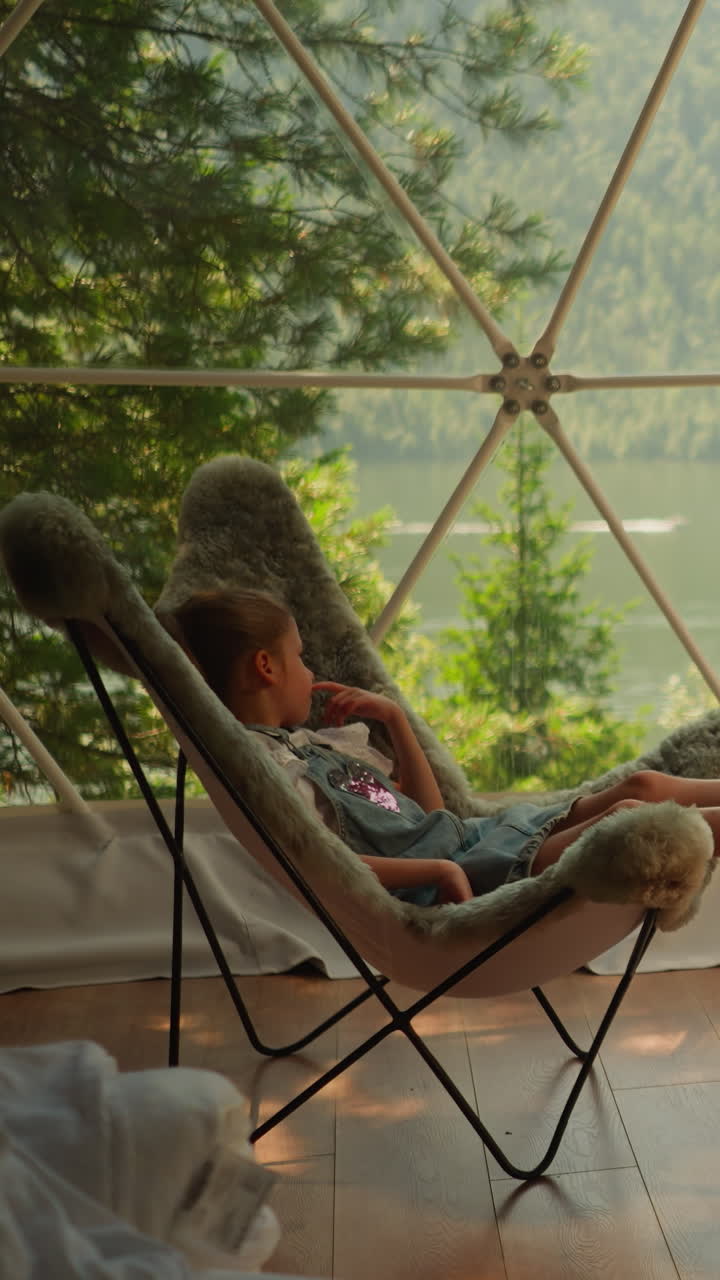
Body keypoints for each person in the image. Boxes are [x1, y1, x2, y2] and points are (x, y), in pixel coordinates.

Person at [173, 587, 720, 906]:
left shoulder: (310, 747)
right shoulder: (272, 770)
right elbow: (321, 862)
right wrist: (436, 874)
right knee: (631, 816)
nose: (311, 670)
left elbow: (431, 818)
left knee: (641, 787)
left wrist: (394, 720)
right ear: (265, 667)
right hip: (480, 870)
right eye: (300, 656)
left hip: (477, 840)